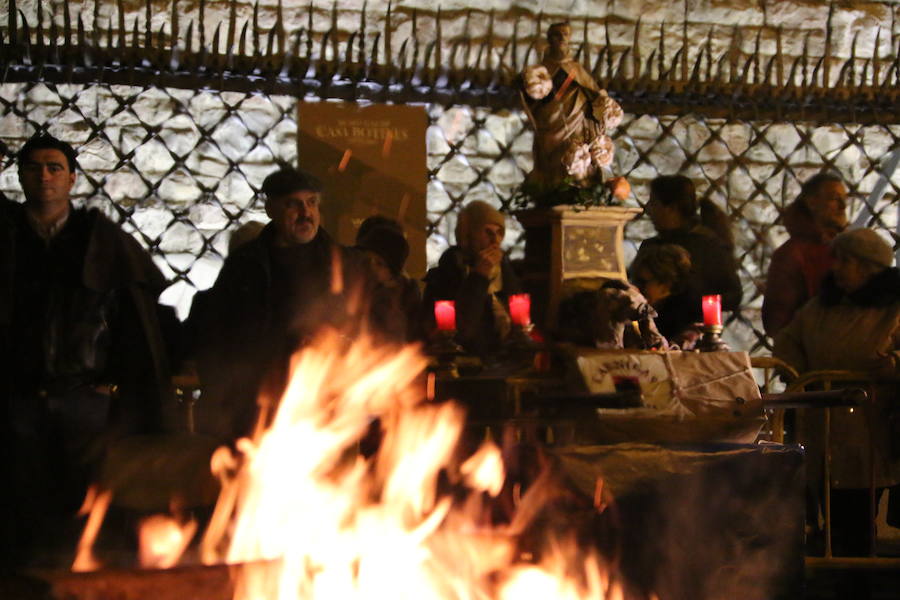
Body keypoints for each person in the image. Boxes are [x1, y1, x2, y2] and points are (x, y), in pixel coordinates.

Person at [0, 134, 172, 565]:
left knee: (83, 496)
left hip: (82, 398)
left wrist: (110, 385)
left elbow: (134, 315)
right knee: (20, 495)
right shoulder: (7, 237)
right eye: (35, 167)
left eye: (55, 167)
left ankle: (80, 579)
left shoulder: (98, 239)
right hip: (17, 396)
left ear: (72, 178)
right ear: (20, 175)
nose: (45, 176)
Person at [187, 167, 369, 441]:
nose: (306, 213)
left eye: (311, 203)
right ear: (271, 209)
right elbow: (219, 332)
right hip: (256, 406)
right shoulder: (245, 266)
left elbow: (365, 329)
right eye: (293, 205)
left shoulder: (345, 265)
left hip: (324, 404)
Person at [775, 228, 900, 557]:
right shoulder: (821, 307)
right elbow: (791, 339)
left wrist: (895, 366)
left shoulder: (893, 310)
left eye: (847, 261)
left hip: (872, 429)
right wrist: (793, 369)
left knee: (857, 515)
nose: (837, 268)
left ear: (870, 267)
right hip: (824, 427)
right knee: (834, 518)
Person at [519, 22, 624, 190]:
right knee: (552, 158)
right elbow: (529, 100)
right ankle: (552, 188)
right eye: (557, 35)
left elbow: (595, 96)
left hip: (577, 124)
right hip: (549, 123)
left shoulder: (575, 69)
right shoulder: (540, 71)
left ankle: (580, 188)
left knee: (577, 159)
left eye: (565, 35)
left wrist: (605, 108)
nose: (562, 39)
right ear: (550, 39)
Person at [631, 175, 742, 325]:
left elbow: (733, 294)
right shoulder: (651, 246)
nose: (649, 210)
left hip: (690, 332)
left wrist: (696, 302)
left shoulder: (707, 247)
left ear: (672, 208)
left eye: (654, 203)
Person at [422, 200, 523, 357]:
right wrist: (480, 276)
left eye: (499, 233)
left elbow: (517, 313)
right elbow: (462, 328)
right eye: (488, 232)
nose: (495, 240)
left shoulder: (504, 268)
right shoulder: (450, 270)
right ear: (469, 234)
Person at [763, 172, 849, 337]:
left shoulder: (844, 249)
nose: (843, 206)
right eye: (834, 198)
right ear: (812, 202)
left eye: (844, 199)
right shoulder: (791, 255)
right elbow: (778, 322)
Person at [355, 216, 422, 344]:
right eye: (367, 261)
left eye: (379, 263)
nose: (371, 267)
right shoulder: (355, 289)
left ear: (392, 273)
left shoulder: (403, 294)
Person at [629, 243, 697, 346]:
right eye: (634, 280)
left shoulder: (686, 323)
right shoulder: (633, 307)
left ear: (666, 285)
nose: (636, 287)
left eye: (642, 282)